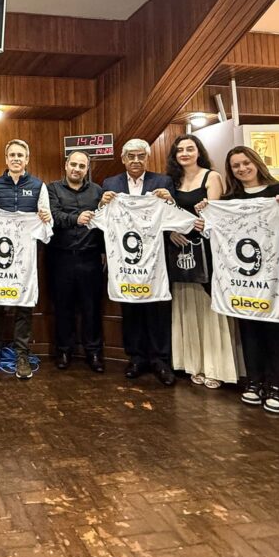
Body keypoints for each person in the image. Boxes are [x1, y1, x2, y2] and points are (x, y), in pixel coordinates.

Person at [199, 146, 279, 413]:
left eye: (246, 163)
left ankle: (278, 387)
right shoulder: (230, 200)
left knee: (277, 331)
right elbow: (212, 231)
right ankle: (254, 382)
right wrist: (207, 212)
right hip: (242, 280)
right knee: (249, 330)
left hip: (276, 279)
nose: (242, 169)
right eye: (236, 166)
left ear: (256, 162)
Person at [99, 138, 177, 385]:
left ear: (147, 158)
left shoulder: (162, 182)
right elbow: (103, 219)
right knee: (130, 308)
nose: (135, 160)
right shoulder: (110, 183)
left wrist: (170, 200)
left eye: (140, 156)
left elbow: (172, 217)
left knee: (157, 310)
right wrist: (101, 203)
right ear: (123, 159)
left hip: (154, 260)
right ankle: (136, 358)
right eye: (130, 156)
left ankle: (160, 360)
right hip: (125, 260)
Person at [166, 134, 242, 389]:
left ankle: (214, 367)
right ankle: (192, 364)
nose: (185, 153)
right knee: (187, 308)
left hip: (207, 251)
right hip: (180, 251)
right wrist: (172, 231)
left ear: (199, 151)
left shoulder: (212, 177)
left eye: (190, 148)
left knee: (209, 308)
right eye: (180, 150)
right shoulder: (173, 182)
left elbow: (215, 216)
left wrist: (203, 217)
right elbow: (167, 216)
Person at [0, 139, 52, 380]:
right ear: (6, 159)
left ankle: (22, 355)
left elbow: (47, 223)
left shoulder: (38, 186)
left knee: (24, 307)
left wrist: (45, 218)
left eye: (20, 155)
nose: (16, 159)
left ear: (27, 159)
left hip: (25, 259)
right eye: (12, 155)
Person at [46, 151, 105, 372]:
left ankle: (94, 352)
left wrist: (104, 252)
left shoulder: (98, 191)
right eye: (74, 164)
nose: (77, 169)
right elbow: (53, 216)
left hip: (90, 258)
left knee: (92, 308)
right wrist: (76, 219)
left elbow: (105, 223)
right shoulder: (52, 189)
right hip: (60, 258)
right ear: (66, 165)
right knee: (63, 308)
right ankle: (63, 351)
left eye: (82, 166)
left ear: (87, 169)